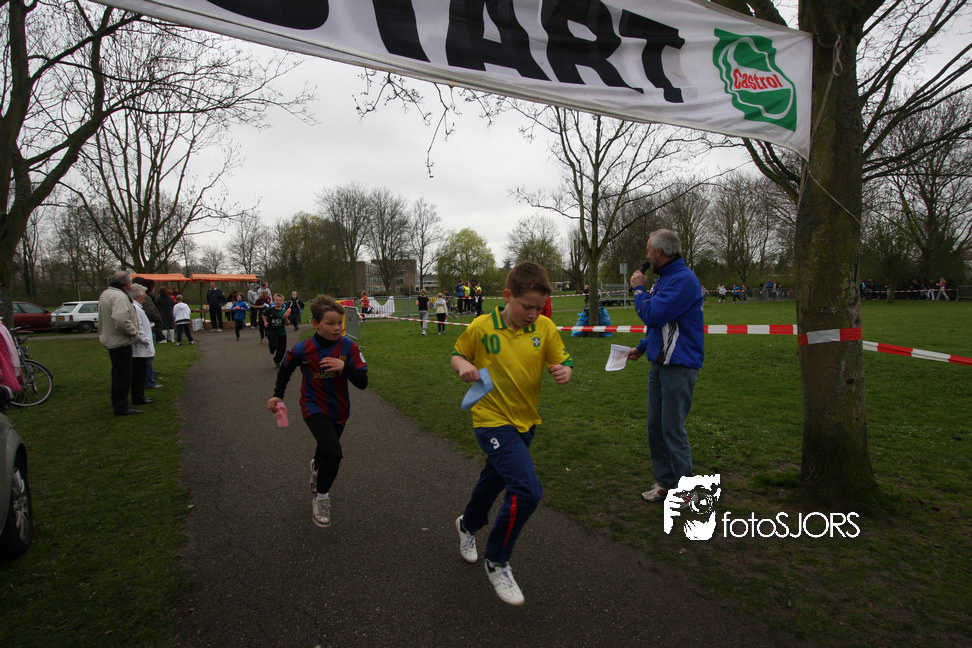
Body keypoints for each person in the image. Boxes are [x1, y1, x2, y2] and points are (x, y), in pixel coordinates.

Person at [451, 261, 574, 606]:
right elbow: (458, 355)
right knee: (527, 491)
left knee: (494, 481)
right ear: (508, 296)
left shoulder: (545, 328)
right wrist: (465, 366)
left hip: (525, 423)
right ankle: (498, 560)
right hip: (490, 420)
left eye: (539, 308)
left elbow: (563, 360)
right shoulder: (481, 326)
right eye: (527, 307)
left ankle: (467, 524)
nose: (534, 314)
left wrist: (565, 371)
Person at [267, 295, 368, 528]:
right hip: (313, 406)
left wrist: (344, 367)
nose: (337, 328)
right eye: (330, 323)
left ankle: (316, 468)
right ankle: (321, 498)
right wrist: (277, 395)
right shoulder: (304, 349)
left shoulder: (349, 347)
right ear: (315, 324)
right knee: (333, 453)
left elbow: (362, 382)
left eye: (340, 323)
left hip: (340, 409)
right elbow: (285, 369)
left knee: (326, 450)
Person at [626, 229, 704, 508]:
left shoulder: (682, 280)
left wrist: (638, 289)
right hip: (660, 363)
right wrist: (643, 346)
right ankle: (666, 482)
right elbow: (662, 325)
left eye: (649, 251)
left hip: (678, 366)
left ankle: (688, 492)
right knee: (656, 428)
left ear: (659, 252)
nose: (647, 257)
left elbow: (653, 314)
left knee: (672, 429)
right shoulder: (666, 279)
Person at [98, 271, 141, 415]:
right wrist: (134, 332)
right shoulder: (120, 297)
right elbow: (121, 320)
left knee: (118, 374)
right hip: (120, 341)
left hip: (111, 339)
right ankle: (121, 407)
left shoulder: (106, 293)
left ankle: (120, 404)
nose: (130, 284)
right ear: (126, 283)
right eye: (129, 282)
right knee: (123, 375)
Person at [128, 283, 156, 407]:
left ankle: (140, 395)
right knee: (138, 374)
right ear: (138, 295)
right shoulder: (135, 308)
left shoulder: (137, 307)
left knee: (140, 374)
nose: (145, 295)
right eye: (144, 293)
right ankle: (138, 397)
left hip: (141, 347)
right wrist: (146, 340)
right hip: (139, 348)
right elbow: (138, 327)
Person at [263, 293, 292, 367]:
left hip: (281, 332)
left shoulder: (283, 311)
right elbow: (263, 314)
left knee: (282, 349)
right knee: (274, 345)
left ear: (282, 302)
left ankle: (277, 360)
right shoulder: (269, 310)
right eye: (277, 300)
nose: (278, 302)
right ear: (274, 301)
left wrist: (286, 318)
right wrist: (265, 322)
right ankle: (272, 348)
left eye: (280, 300)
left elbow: (287, 324)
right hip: (272, 331)